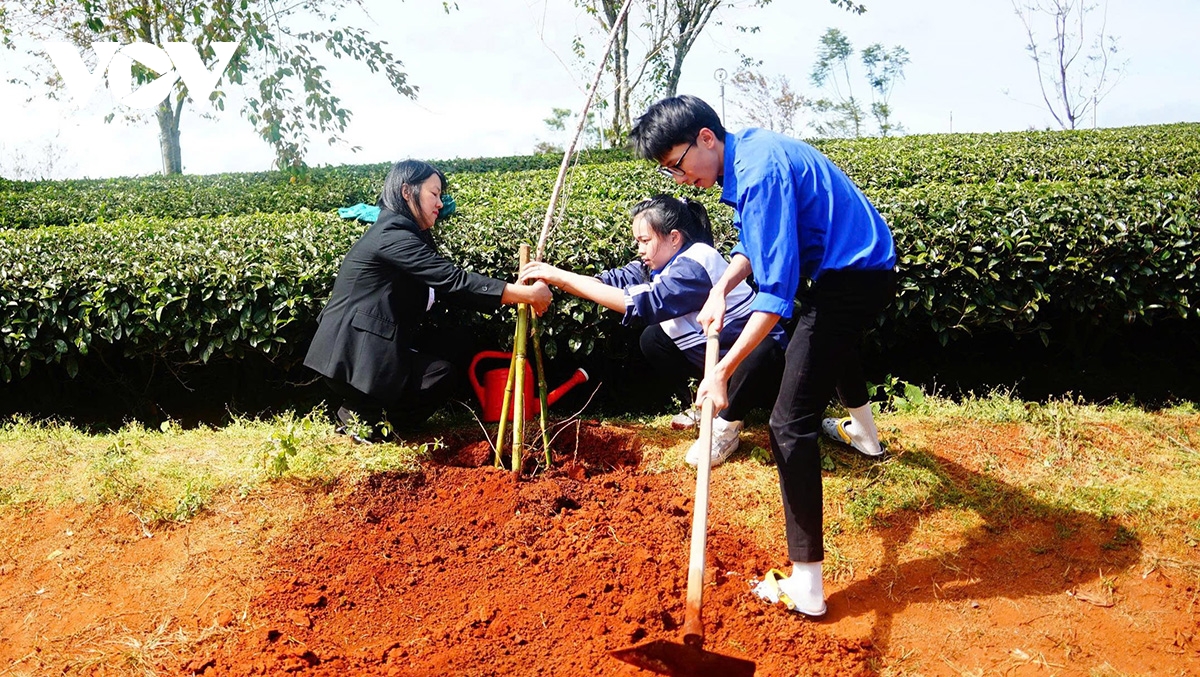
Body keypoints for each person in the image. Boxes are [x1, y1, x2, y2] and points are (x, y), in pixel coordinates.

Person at [629, 95, 897, 618]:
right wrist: (721, 287)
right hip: (856, 267)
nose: (680, 179)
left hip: (853, 277)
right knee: (831, 344)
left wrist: (722, 371)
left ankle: (807, 585)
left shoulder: (759, 174)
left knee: (789, 422)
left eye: (677, 165)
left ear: (706, 138)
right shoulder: (749, 155)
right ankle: (865, 435)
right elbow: (757, 246)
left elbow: (775, 297)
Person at [518, 194, 786, 467]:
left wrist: (561, 278)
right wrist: (552, 281)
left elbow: (646, 304)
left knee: (763, 350)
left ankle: (726, 426)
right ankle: (703, 406)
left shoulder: (695, 264)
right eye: (638, 242)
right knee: (654, 338)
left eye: (645, 241)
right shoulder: (657, 264)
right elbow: (609, 282)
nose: (640, 249)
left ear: (674, 238)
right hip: (720, 360)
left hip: (761, 368)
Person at [304, 159, 552, 442]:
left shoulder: (409, 234)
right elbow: (451, 279)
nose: (440, 203)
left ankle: (372, 419)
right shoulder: (392, 234)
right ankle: (361, 418)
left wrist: (507, 295)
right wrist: (523, 294)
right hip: (354, 352)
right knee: (436, 373)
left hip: (373, 346)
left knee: (442, 370)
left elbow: (447, 287)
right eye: (434, 194)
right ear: (406, 191)